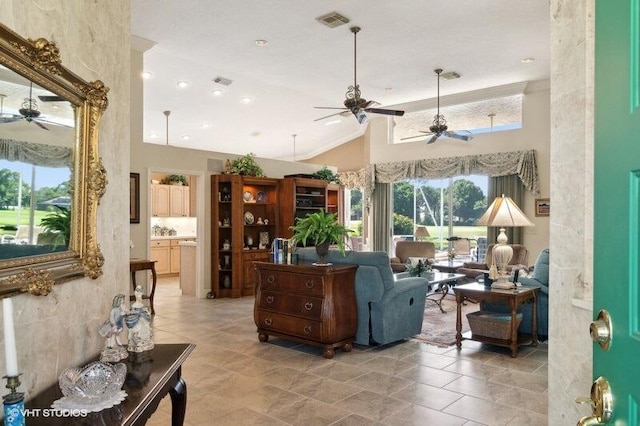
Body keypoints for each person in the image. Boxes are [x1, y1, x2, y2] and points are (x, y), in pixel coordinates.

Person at [99, 294, 129, 362]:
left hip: (119, 324)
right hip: (113, 325)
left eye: (123, 301)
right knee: (110, 335)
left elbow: (125, 314)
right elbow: (112, 318)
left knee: (116, 335)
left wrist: (126, 312)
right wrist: (114, 326)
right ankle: (112, 345)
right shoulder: (114, 310)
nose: (123, 302)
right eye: (122, 301)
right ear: (118, 301)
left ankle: (116, 345)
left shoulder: (122, 308)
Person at [125, 286, 154, 353]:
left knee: (143, 327)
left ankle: (141, 341)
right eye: (137, 291)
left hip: (141, 317)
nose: (138, 293)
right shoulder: (136, 303)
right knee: (136, 329)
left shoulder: (139, 301)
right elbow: (135, 307)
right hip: (138, 317)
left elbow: (140, 303)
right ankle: (136, 342)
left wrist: (143, 311)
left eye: (140, 291)